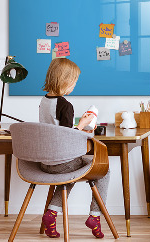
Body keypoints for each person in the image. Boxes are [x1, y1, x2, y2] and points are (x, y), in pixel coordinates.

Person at [39, 58, 110, 239]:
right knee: (104, 170)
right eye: (74, 81)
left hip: (45, 162)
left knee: (69, 174)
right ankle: (95, 216)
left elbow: (56, 130)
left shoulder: (44, 101)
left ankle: (51, 214)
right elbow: (67, 137)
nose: (74, 85)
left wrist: (80, 126)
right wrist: (84, 124)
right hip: (62, 162)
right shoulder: (65, 105)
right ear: (65, 81)